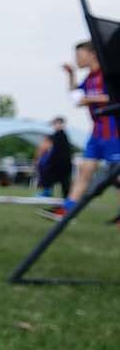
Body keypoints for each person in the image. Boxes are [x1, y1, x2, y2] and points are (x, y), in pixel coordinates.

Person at [42, 41, 117, 220]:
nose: (76, 59)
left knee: (116, 177)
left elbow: (114, 97)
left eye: (79, 55)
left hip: (114, 132)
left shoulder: (108, 74)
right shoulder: (89, 78)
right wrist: (71, 75)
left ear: (93, 54)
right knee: (85, 171)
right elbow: (76, 96)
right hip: (97, 133)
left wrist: (90, 100)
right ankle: (67, 211)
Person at [36, 116, 72, 199]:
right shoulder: (59, 135)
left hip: (61, 164)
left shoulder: (59, 135)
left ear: (61, 124)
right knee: (62, 182)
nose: (54, 125)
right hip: (62, 164)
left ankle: (47, 193)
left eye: (56, 123)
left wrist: (48, 161)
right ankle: (49, 193)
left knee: (56, 179)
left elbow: (55, 150)